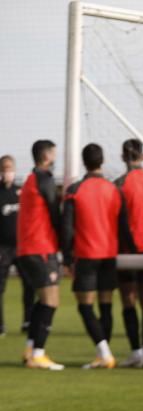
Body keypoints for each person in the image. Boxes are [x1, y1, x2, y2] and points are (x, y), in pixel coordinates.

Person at [62, 143, 133, 369]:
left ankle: (104, 353)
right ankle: (104, 353)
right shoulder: (114, 190)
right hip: (108, 254)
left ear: (85, 162)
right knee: (105, 305)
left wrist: (66, 257)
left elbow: (67, 228)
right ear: (102, 161)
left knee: (85, 306)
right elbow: (124, 226)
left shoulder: (74, 190)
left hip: (86, 254)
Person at [16, 139, 66, 370]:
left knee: (41, 301)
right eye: (54, 154)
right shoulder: (44, 179)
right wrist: (67, 247)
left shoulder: (29, 180)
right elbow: (56, 214)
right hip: (40, 248)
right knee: (50, 301)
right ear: (47, 156)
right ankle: (38, 354)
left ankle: (30, 350)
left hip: (27, 248)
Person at [114, 139, 143, 367]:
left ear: (123, 157)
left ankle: (136, 351)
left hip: (127, 250)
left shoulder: (119, 184)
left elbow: (116, 220)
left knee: (128, 300)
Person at [0, 155, 34, 337]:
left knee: (29, 284)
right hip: (2, 248)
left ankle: (27, 321)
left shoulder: (20, 193)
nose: (8, 172)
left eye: (10, 168)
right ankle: (0, 325)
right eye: (4, 169)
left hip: (21, 247)